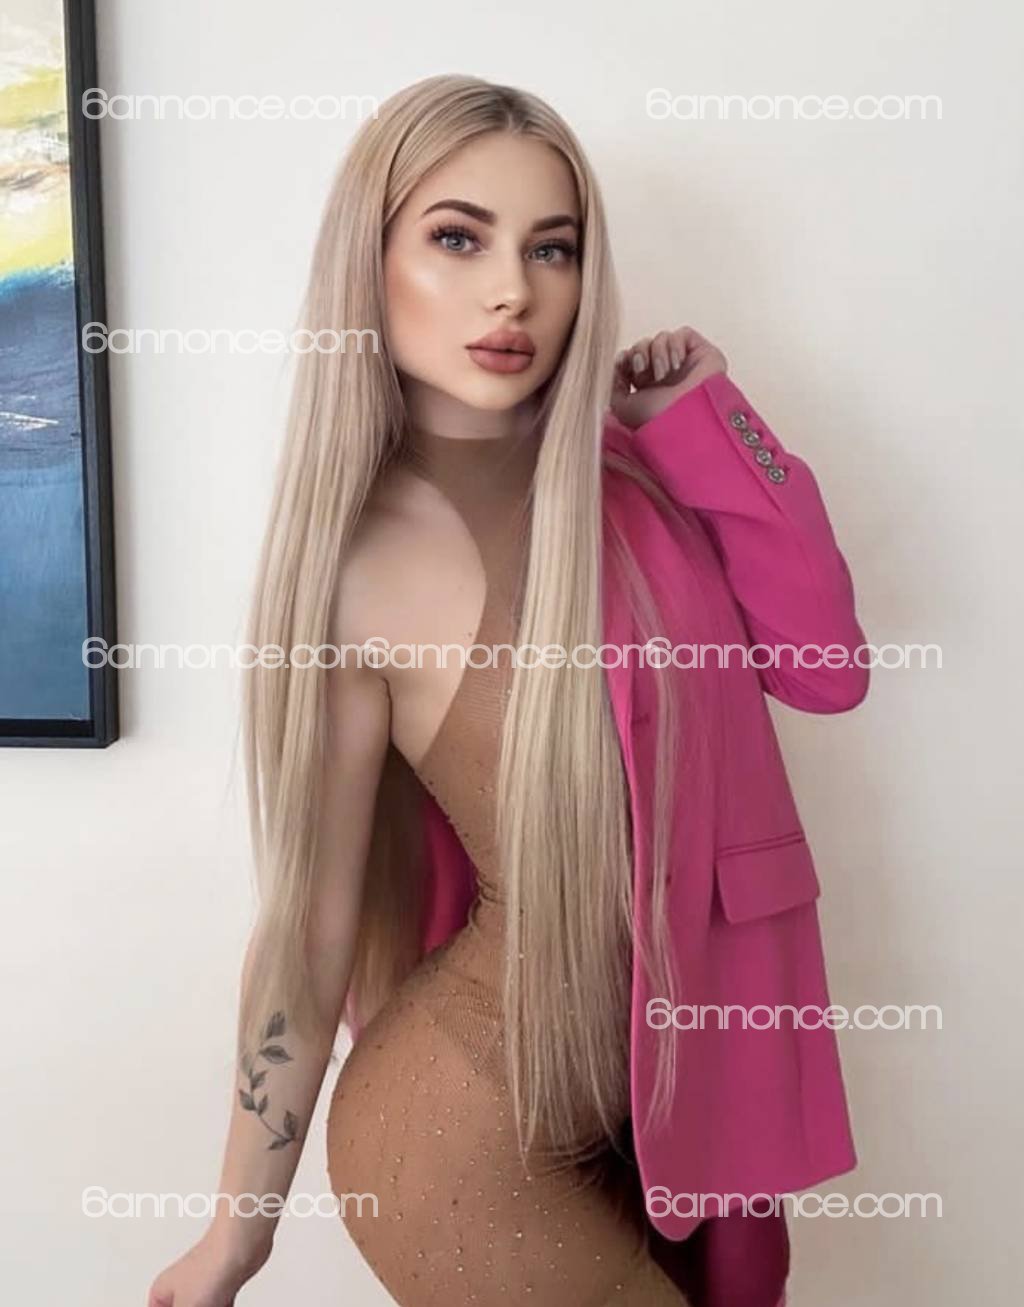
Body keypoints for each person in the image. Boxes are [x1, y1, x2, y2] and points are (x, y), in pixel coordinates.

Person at [148, 73, 868, 1307]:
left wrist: (702, 416)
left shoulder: (640, 480)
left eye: (551, 248)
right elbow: (310, 925)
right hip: (461, 1142)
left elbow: (828, 665)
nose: (511, 291)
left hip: (675, 1120)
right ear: (369, 261)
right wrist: (235, 1233)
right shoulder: (356, 568)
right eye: (456, 238)